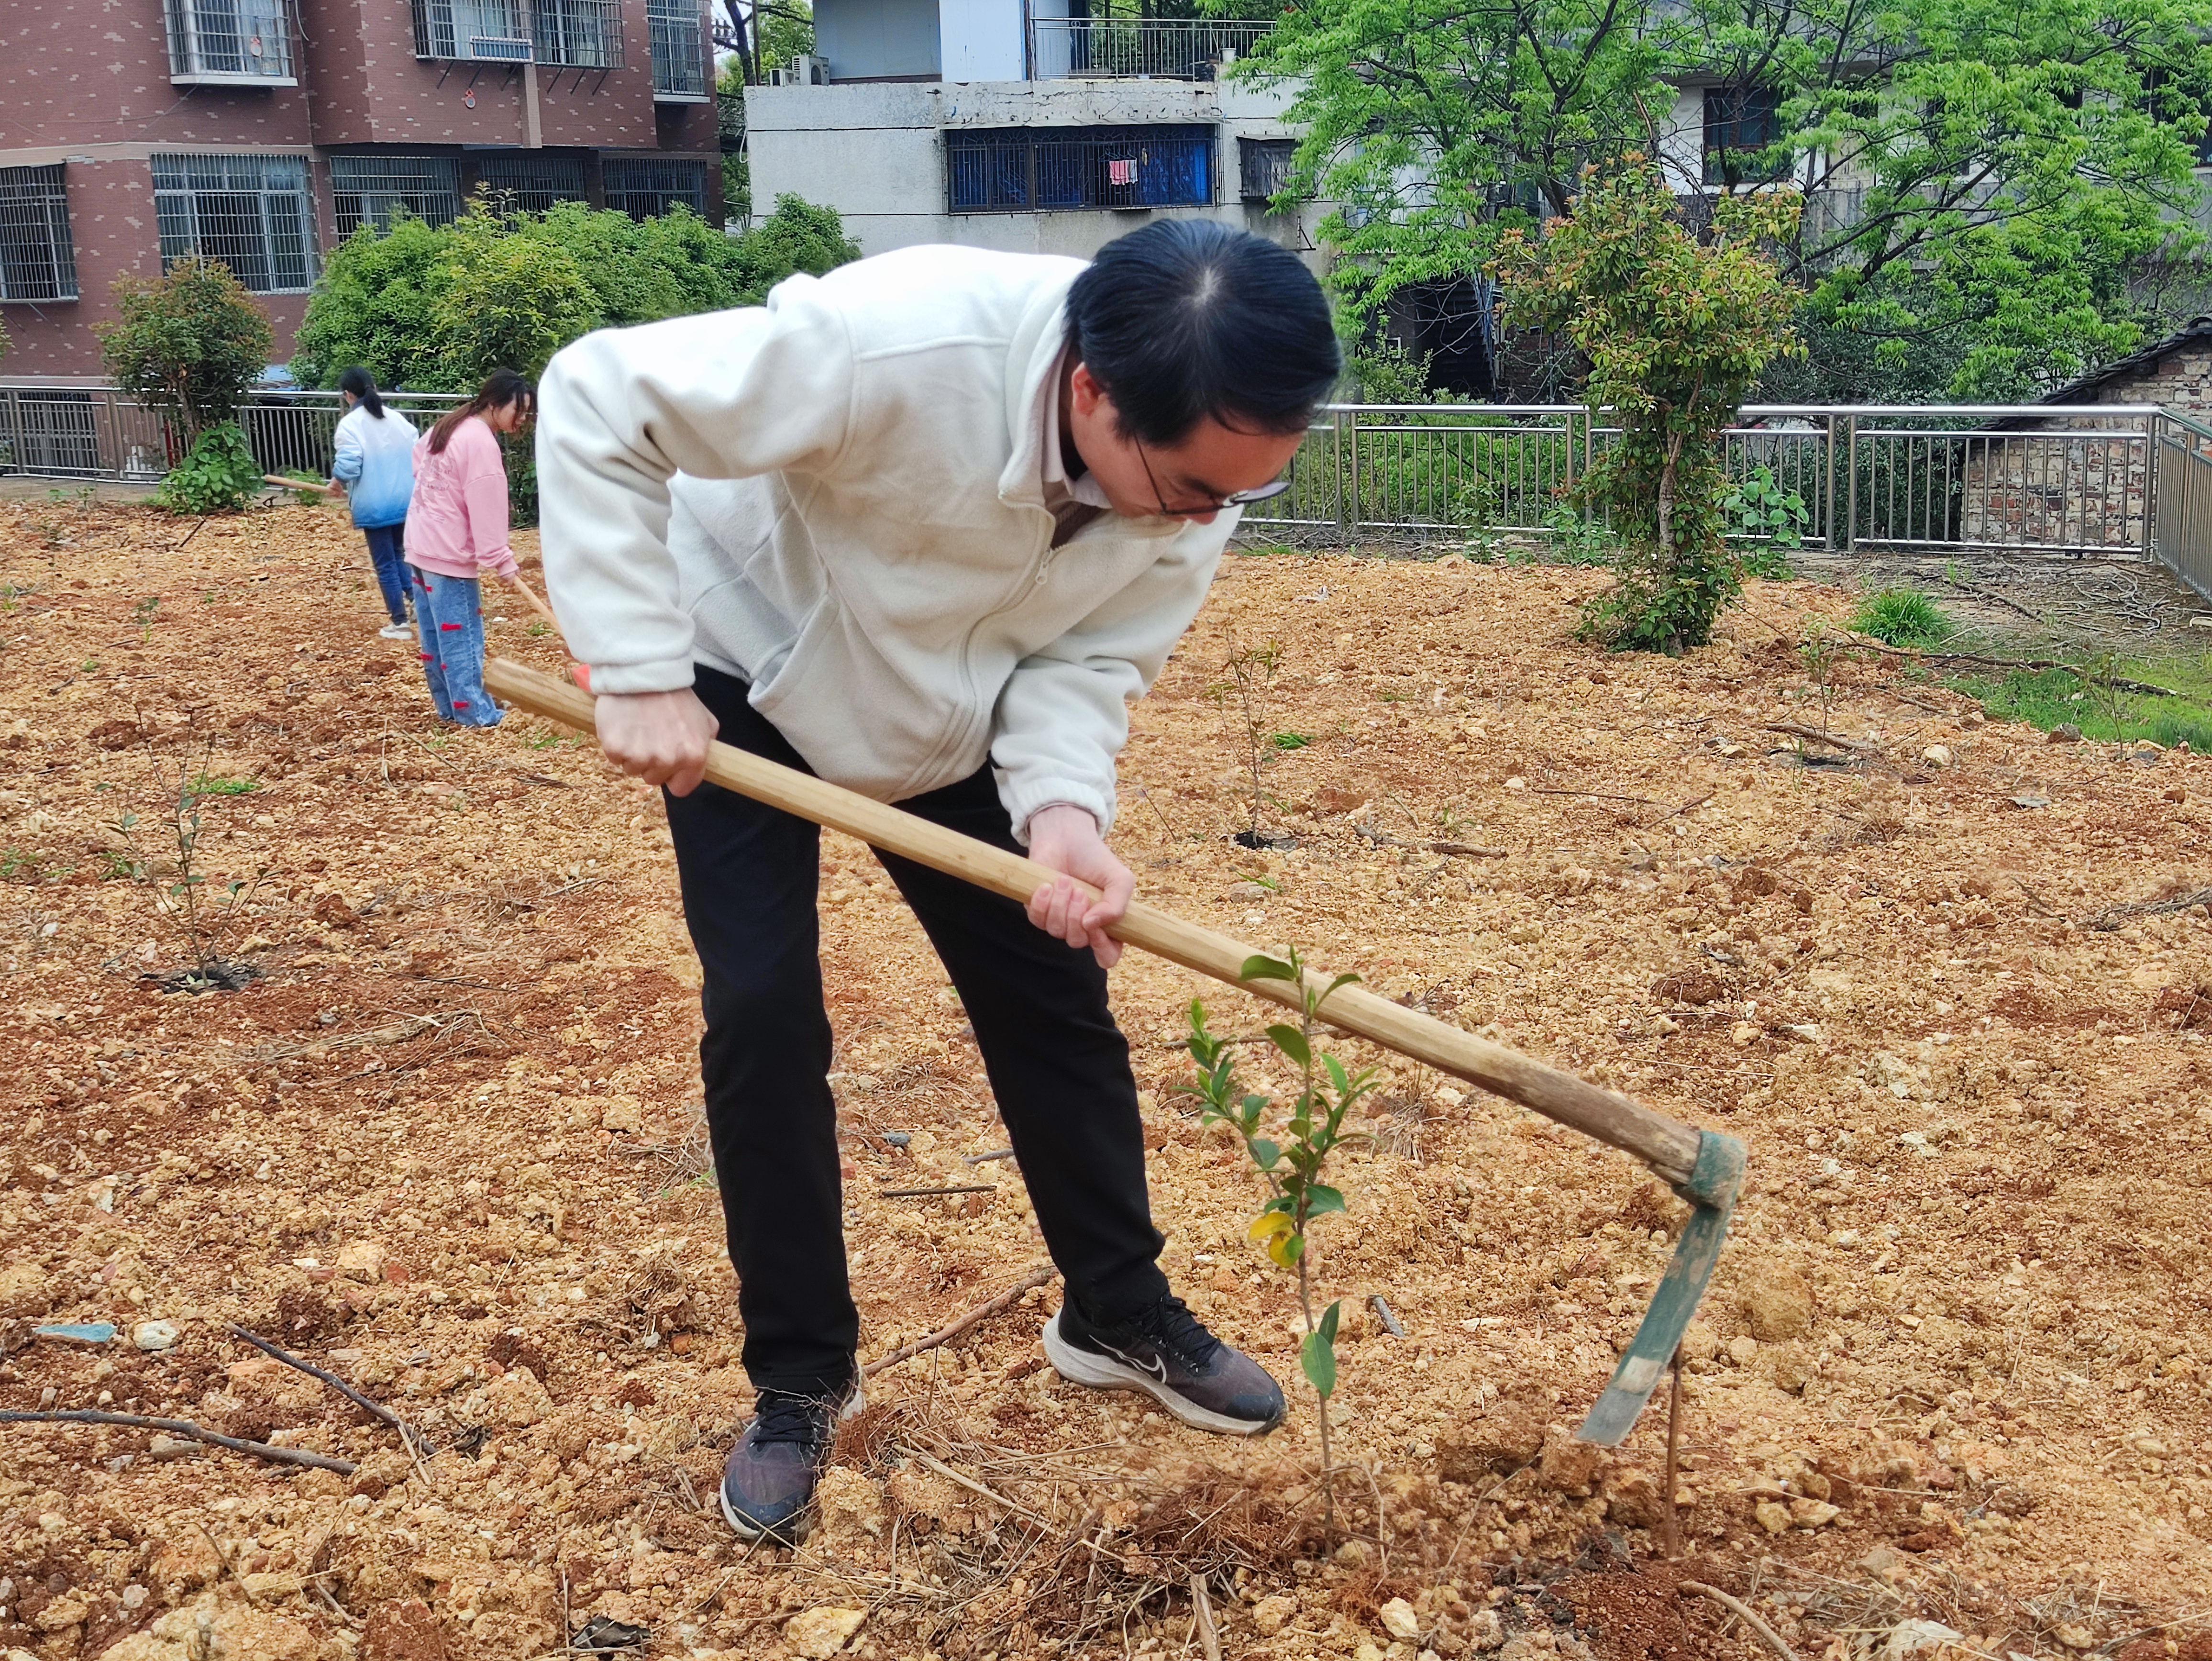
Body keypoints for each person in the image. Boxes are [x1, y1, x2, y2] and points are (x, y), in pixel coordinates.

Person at [536, 221, 1341, 1543]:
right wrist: (635, 665)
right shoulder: (896, 344)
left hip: (956, 710)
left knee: (1057, 996)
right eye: (1193, 487)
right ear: (1092, 391)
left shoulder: (1199, 479)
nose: (1209, 518)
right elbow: (599, 395)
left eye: (1241, 495)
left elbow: (1088, 657)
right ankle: (801, 1378)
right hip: (746, 672)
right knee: (763, 1012)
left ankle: (1115, 1311)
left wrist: (1061, 815)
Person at [405, 369, 534, 727]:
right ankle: (476, 714)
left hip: (420, 543)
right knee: (460, 638)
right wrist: (500, 558)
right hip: (448, 554)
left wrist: (440, 502)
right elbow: (486, 502)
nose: (521, 419)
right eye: (517, 410)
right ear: (494, 404)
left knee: (436, 638)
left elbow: (418, 460)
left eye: (526, 412)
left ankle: (450, 708)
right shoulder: (479, 442)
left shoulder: (451, 425)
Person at [327, 366, 417, 641]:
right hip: (404, 500)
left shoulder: (351, 425)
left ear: (348, 395)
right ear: (373, 387)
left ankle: (400, 623)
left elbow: (350, 464)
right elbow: (417, 448)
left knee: (385, 564)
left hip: (375, 504)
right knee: (400, 554)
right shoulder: (397, 419)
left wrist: (337, 481)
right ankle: (417, 602)